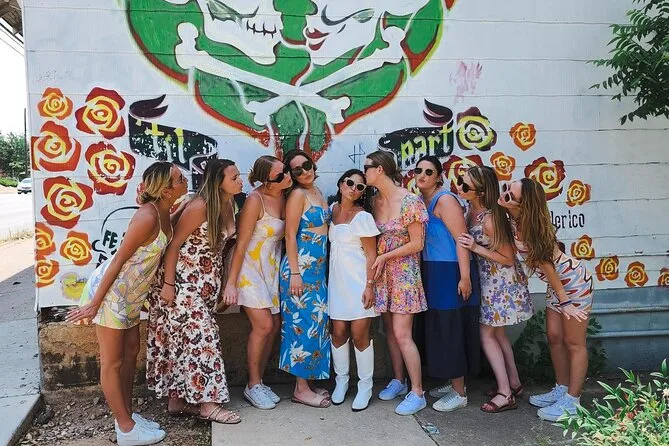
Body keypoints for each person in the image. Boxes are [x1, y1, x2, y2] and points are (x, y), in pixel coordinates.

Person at [68, 162, 188, 446]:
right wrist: (95, 304)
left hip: (131, 296)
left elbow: (165, 234)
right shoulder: (147, 216)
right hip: (113, 295)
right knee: (112, 362)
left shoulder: (163, 211)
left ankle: (128, 415)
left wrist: (185, 207)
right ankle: (125, 429)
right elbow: (118, 260)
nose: (184, 180)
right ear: (166, 190)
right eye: (179, 179)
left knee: (131, 353)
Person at [146, 159, 243, 425]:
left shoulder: (228, 204)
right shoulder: (201, 206)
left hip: (205, 282)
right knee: (204, 340)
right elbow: (174, 244)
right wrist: (168, 285)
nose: (240, 181)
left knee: (184, 341)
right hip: (182, 282)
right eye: (234, 177)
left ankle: (177, 402)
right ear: (218, 182)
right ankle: (209, 405)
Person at [499, 178, 593, 421]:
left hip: (572, 283)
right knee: (554, 337)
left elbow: (547, 264)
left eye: (510, 195)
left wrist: (565, 302)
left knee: (574, 343)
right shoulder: (515, 219)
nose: (504, 194)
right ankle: (562, 388)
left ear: (523, 205)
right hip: (557, 285)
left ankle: (573, 401)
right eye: (506, 188)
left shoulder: (530, 228)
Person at [456, 166, 534, 413]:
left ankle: (505, 393)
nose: (459, 187)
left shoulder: (489, 219)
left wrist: (475, 248)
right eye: (460, 181)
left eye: (465, 185)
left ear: (480, 192)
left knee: (486, 335)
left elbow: (508, 258)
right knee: (498, 334)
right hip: (490, 281)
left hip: (500, 283)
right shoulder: (470, 210)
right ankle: (514, 383)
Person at [223, 155, 292, 410]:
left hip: (270, 266)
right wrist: (231, 283)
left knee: (274, 325)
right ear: (266, 181)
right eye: (280, 175)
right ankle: (252, 385)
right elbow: (241, 244)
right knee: (263, 325)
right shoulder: (255, 200)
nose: (287, 176)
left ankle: (259, 382)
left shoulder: (286, 195)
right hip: (248, 266)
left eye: (286, 171)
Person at [413, 155, 480, 413]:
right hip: (433, 270)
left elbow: (462, 239)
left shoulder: (445, 200)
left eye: (428, 172)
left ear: (438, 177)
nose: (422, 175)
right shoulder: (421, 201)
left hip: (451, 270)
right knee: (439, 327)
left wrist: (464, 276)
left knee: (451, 327)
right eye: (418, 170)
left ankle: (460, 392)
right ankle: (452, 382)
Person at [364, 150, 428, 416]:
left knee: (403, 334)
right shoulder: (374, 201)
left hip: (403, 274)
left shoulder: (409, 200)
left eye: (367, 167)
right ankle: (398, 380)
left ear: (379, 169)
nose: (364, 172)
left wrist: (385, 256)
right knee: (389, 331)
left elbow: (417, 243)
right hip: (383, 276)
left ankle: (418, 392)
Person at [279, 150, 332, 408]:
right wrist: (295, 273)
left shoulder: (317, 191)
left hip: (317, 271)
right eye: (297, 170)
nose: (304, 172)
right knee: (300, 326)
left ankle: (308, 383)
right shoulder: (297, 195)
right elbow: (289, 236)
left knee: (316, 325)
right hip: (299, 269)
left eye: (307, 165)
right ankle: (300, 389)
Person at [328, 169, 379, 411]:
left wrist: (370, 285)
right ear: (341, 184)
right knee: (338, 332)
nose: (354, 189)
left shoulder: (363, 217)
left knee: (359, 334)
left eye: (360, 187)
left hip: (358, 282)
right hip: (337, 283)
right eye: (350, 183)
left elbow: (371, 255)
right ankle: (341, 381)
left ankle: (365, 386)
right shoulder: (332, 210)